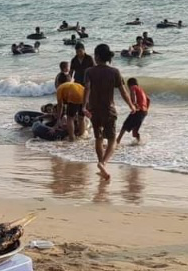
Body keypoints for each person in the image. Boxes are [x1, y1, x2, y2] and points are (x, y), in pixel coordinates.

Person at [83, 43, 135, 180]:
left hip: (94, 110)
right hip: (109, 110)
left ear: (98, 56)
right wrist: (131, 105)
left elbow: (87, 89)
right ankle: (103, 163)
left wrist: (84, 106)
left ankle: (101, 166)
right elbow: (123, 91)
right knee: (112, 140)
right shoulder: (114, 72)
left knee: (98, 139)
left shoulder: (89, 71)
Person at [55, 62, 86, 141]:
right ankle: (82, 135)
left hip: (74, 96)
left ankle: (72, 138)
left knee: (70, 118)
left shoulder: (60, 88)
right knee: (81, 117)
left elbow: (60, 106)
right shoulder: (72, 83)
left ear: (58, 82)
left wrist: (58, 120)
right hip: (84, 94)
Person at [117, 78, 150, 144]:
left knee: (125, 125)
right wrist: (146, 109)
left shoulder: (133, 87)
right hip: (143, 112)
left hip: (138, 110)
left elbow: (133, 94)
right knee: (134, 132)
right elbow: (148, 99)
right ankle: (139, 142)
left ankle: (117, 141)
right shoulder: (141, 90)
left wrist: (134, 103)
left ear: (129, 84)